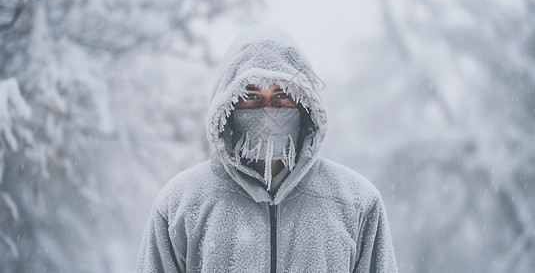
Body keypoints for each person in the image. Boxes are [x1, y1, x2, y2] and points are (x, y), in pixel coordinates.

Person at [136, 25, 398, 272]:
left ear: (305, 106)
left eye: (281, 96)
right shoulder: (181, 205)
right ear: (227, 108)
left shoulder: (356, 203)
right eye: (251, 97)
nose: (268, 111)